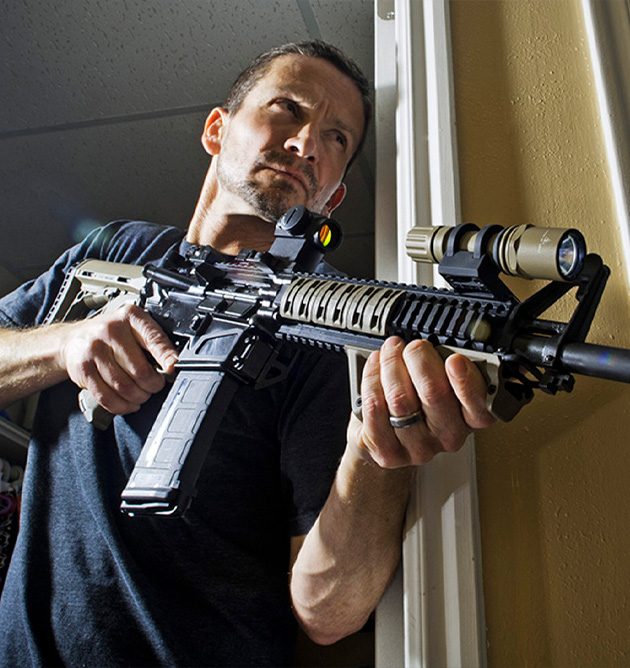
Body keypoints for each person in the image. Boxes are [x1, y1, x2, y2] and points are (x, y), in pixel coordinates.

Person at [0, 40, 495, 665]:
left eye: (337, 138)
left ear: (335, 196)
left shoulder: (327, 329)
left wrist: (376, 455)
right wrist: (66, 342)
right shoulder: (117, 249)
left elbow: (328, 615)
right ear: (216, 128)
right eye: (286, 108)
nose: (307, 143)